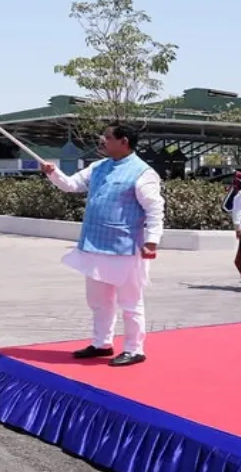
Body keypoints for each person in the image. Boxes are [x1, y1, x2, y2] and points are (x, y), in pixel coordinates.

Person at [40, 123, 164, 367]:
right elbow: (71, 185)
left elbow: (154, 208)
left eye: (107, 137)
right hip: (94, 246)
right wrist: (52, 172)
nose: (102, 140)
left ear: (124, 141)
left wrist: (152, 241)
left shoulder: (143, 172)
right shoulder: (98, 167)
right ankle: (101, 343)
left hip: (124, 248)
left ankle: (134, 348)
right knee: (98, 301)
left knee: (130, 302)